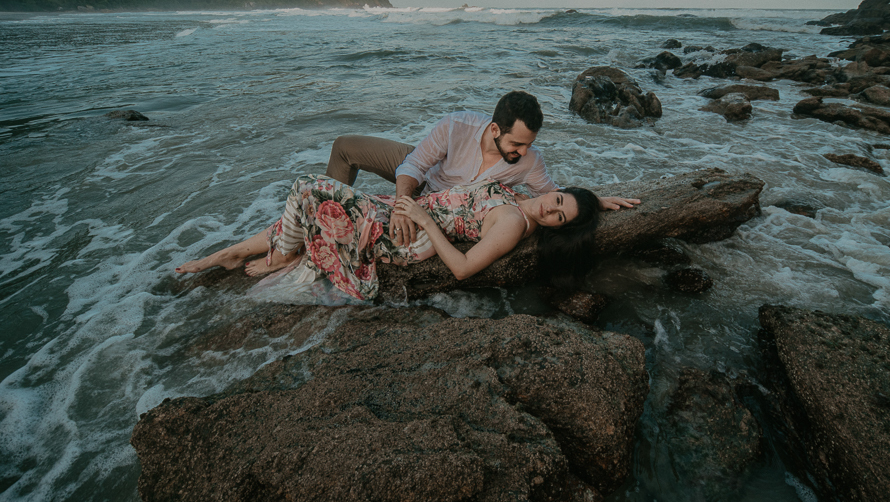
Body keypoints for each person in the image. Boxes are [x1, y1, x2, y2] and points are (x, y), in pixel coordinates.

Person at [176, 174, 601, 302]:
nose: (552, 208)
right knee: (316, 211)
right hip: (404, 213)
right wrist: (601, 199)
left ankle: (287, 255)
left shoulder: (513, 223)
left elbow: (463, 268)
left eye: (560, 218)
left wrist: (420, 216)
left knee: (309, 186)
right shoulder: (526, 195)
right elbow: (566, 199)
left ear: (556, 229)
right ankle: (227, 255)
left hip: (411, 236)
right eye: (559, 199)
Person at [325, 90, 639, 247]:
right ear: (493, 130)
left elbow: (552, 195)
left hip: (447, 207)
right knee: (344, 147)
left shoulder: (530, 161)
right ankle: (324, 217)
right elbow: (416, 164)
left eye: (529, 144)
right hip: (425, 178)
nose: (524, 151)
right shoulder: (456, 125)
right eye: (516, 144)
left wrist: (596, 201)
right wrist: (401, 208)